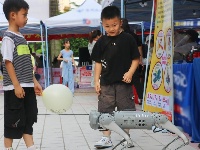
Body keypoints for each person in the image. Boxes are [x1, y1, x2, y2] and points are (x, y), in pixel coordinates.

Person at [91, 6, 140, 149]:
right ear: (102, 24)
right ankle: (106, 138)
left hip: (124, 83)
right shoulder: (101, 42)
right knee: (105, 110)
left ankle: (126, 138)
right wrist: (96, 81)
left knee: (126, 111)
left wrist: (130, 72)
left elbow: (136, 59)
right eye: (107, 26)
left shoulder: (128, 39)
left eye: (114, 25)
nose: (111, 28)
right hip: (106, 83)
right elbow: (98, 63)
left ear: (120, 22)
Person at [1, 0, 43, 150]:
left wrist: (34, 82)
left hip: (27, 86)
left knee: (28, 120)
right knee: (13, 123)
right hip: (15, 89)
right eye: (24, 15)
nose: (26, 18)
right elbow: (8, 63)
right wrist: (17, 86)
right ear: (13, 15)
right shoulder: (8, 38)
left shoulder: (22, 38)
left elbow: (25, 65)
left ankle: (31, 147)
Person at [121, 18, 144, 105]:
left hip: (124, 61)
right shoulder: (133, 35)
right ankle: (141, 98)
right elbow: (139, 47)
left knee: (123, 79)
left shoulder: (122, 35)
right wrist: (140, 59)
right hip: (134, 60)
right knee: (136, 80)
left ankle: (125, 98)